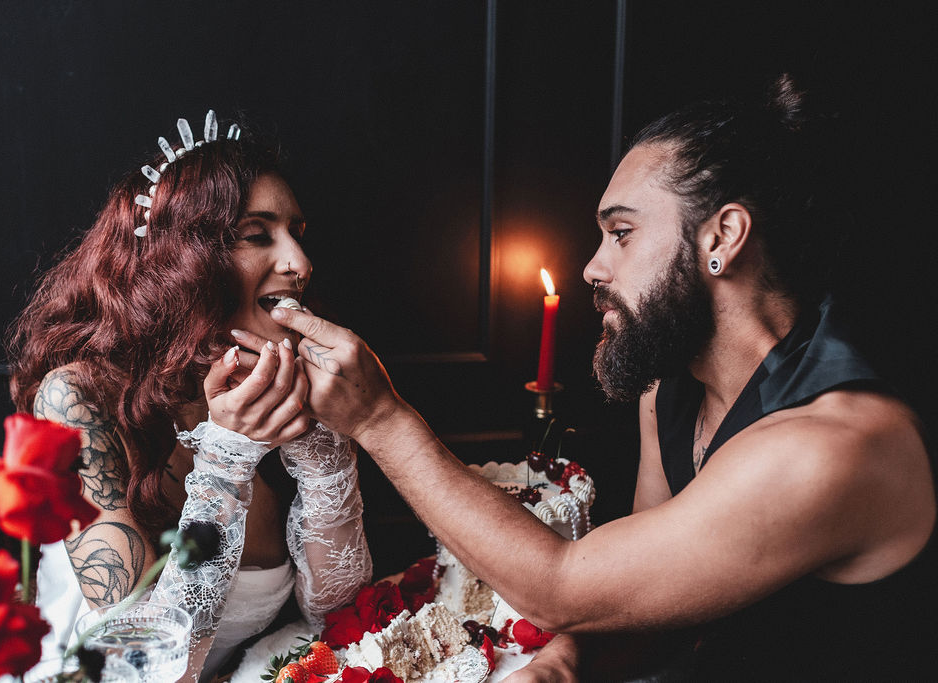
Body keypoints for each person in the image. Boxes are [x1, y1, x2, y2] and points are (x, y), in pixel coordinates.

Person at [260, 77, 938, 680]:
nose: (592, 267)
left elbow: (563, 586)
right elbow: (649, 606)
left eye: (621, 233)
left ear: (722, 237)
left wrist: (382, 419)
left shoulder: (833, 445)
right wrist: (566, 662)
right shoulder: (670, 387)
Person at [6, 111, 372, 682]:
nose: (300, 264)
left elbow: (337, 613)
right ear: (183, 260)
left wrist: (324, 450)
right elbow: (149, 670)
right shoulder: (75, 398)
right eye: (258, 235)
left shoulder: (278, 376)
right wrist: (226, 459)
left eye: (296, 234)